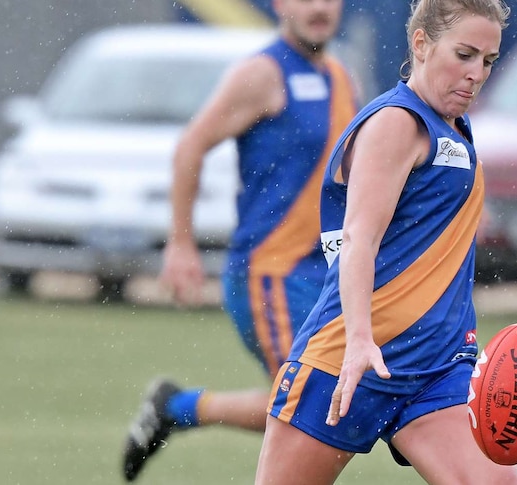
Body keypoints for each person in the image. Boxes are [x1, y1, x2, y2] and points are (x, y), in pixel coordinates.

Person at [254, 0, 517, 483]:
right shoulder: (397, 123)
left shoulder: (454, 125)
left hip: (438, 367)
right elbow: (359, 238)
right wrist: (359, 340)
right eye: (464, 54)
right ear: (420, 44)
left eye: (487, 61)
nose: (476, 73)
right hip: (352, 359)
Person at [121, 0, 358, 481]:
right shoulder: (262, 74)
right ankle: (180, 409)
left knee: (323, 399)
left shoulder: (341, 76)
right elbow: (191, 144)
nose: (318, 6)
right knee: (311, 404)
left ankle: (177, 408)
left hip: (328, 274)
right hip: (270, 273)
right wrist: (181, 242)